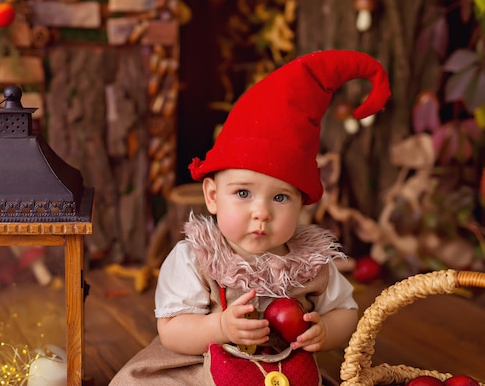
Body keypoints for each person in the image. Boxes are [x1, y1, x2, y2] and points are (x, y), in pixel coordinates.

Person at [109, 49, 391, 386]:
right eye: (243, 193)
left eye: (281, 197)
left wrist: (327, 330)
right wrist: (220, 327)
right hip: (199, 365)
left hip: (281, 372)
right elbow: (171, 330)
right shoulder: (195, 258)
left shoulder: (311, 264)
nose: (262, 212)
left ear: (302, 203)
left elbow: (346, 311)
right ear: (212, 196)